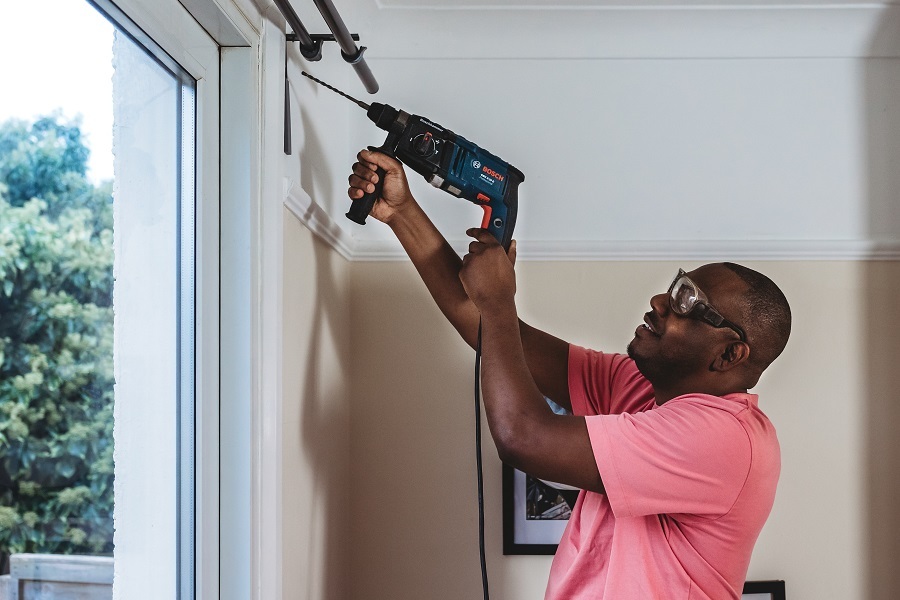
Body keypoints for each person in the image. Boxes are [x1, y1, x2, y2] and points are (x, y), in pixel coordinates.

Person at [347, 149, 791, 600]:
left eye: (685, 300)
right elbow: (489, 331)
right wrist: (402, 212)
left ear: (730, 354)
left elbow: (523, 436)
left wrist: (499, 301)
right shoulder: (638, 388)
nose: (660, 300)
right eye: (675, 285)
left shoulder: (727, 438)